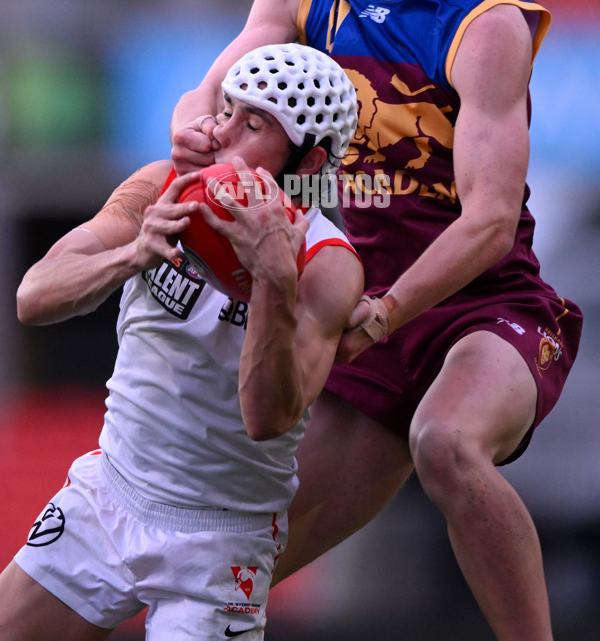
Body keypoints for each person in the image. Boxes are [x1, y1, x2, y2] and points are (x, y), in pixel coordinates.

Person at [169, 0, 583, 641]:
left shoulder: (484, 22)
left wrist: (388, 310)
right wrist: (193, 130)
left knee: (446, 444)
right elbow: (214, 88)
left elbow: (489, 222)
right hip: (357, 312)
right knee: (224, 566)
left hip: (479, 312)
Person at [0, 44, 363, 641]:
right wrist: (132, 253)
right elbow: (33, 296)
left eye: (253, 125)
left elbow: (269, 418)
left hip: (221, 537)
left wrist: (272, 279)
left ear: (308, 159)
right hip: (109, 494)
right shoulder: (160, 186)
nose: (220, 135)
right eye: (226, 112)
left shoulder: (327, 266)